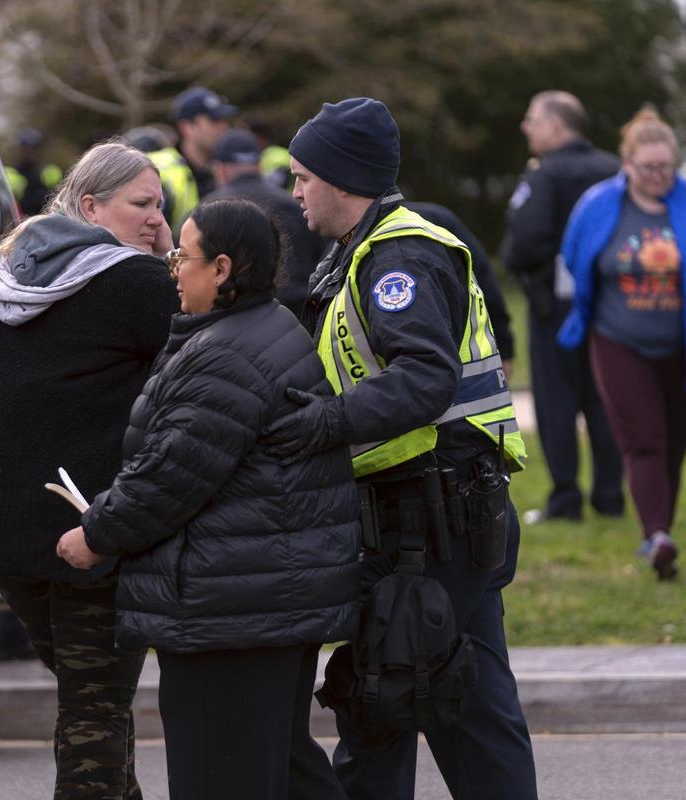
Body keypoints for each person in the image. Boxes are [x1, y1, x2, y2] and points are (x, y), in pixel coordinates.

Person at [55, 198, 361, 800]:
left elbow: (171, 474)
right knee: (282, 770)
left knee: (220, 778)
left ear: (221, 269)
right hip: (256, 599)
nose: (172, 269)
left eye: (181, 257)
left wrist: (95, 533)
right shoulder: (257, 328)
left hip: (228, 613)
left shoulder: (226, 352)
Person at [277, 98, 537, 800]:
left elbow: (422, 378)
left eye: (302, 176)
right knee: (394, 704)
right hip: (423, 520)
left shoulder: (400, 257)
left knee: (421, 702)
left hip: (435, 524)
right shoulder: (360, 252)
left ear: (342, 179)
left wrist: (323, 424)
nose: (294, 190)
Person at [0, 140, 180, 800]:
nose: (156, 218)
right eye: (143, 204)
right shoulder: (139, 283)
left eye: (162, 205)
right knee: (94, 705)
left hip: (9, 532)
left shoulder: (5, 273)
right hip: (93, 527)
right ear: (91, 206)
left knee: (89, 693)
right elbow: (206, 368)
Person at [558, 107, 686, 580]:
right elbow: (574, 255)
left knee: (674, 442)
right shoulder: (598, 205)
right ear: (627, 164)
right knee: (645, 440)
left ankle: (658, 531)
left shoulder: (685, 202)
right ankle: (657, 535)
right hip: (618, 340)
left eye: (666, 167)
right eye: (649, 167)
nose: (658, 176)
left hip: (678, 346)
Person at [502, 90, 624, 524]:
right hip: (610, 306)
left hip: (553, 308)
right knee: (606, 399)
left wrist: (516, 262)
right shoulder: (614, 169)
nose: (525, 127)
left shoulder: (545, 173)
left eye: (532, 119)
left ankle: (565, 500)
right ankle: (610, 498)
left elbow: (527, 239)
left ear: (556, 126)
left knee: (556, 401)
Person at [204, 127, 324, 317]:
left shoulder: (209, 209)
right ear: (258, 165)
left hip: (239, 316)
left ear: (220, 169)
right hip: (301, 312)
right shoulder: (295, 204)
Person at [407, 201, 516, 373]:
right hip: (459, 368)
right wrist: (504, 347)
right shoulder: (437, 218)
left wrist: (504, 346)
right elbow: (483, 282)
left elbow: (482, 277)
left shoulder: (358, 233)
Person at [149, 87, 237, 236]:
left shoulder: (220, 170)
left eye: (224, 120)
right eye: (214, 120)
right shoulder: (160, 170)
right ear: (187, 127)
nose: (224, 127)